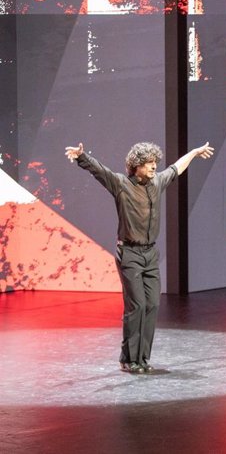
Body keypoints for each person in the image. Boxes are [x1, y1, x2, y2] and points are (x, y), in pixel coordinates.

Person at [64, 140, 214, 373]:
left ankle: (143, 358)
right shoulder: (121, 184)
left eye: (155, 162)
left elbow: (176, 167)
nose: (154, 167)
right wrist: (82, 157)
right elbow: (99, 171)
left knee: (152, 304)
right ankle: (128, 358)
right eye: (149, 163)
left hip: (150, 254)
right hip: (130, 253)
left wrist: (194, 153)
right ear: (136, 165)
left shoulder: (157, 183)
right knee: (137, 306)